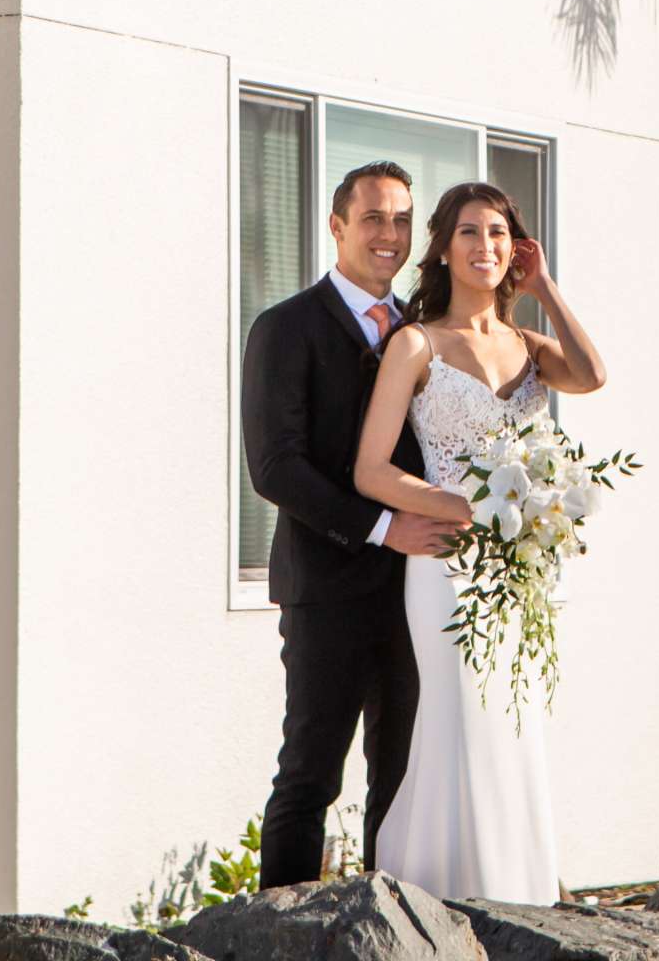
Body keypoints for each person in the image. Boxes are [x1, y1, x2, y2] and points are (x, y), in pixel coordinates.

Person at [354, 180, 607, 902]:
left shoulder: (529, 347)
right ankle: (432, 895)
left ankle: (517, 894)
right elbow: (372, 470)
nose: (485, 246)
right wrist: (459, 505)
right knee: (457, 720)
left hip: (519, 574)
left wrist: (546, 287)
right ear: (443, 247)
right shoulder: (416, 343)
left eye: (499, 233)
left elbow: (592, 375)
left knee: (512, 728)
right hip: (443, 568)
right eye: (469, 232)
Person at [240, 160, 476, 889]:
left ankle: (385, 932)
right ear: (337, 225)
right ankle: (270, 937)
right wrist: (382, 528)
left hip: (415, 592)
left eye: (403, 220)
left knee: (402, 781)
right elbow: (275, 469)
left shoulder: (422, 334)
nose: (389, 234)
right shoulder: (285, 328)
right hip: (326, 589)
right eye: (373, 218)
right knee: (310, 777)